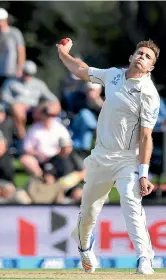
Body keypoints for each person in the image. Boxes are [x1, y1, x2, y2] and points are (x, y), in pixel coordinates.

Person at [57, 39, 160, 275]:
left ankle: (144, 257)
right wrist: (63, 54)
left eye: (147, 57)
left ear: (151, 67)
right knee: (89, 213)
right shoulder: (113, 75)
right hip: (101, 156)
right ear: (131, 57)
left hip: (128, 159)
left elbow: (146, 137)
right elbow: (83, 70)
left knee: (131, 203)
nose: (142, 57)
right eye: (139, 53)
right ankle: (84, 248)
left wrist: (143, 174)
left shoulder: (149, 95)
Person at [0, 60, 59, 139]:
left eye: (30, 74)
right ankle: (22, 135)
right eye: (26, 73)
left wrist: (52, 105)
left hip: (34, 109)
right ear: (22, 71)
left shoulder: (39, 84)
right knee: (17, 108)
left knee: (53, 106)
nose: (27, 76)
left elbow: (52, 98)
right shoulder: (11, 82)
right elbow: (4, 96)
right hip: (17, 108)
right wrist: (16, 103)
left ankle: (47, 135)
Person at [0, 7, 25, 90]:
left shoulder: (15, 33)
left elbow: (21, 52)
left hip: (12, 73)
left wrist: (20, 69)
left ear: (5, 20)